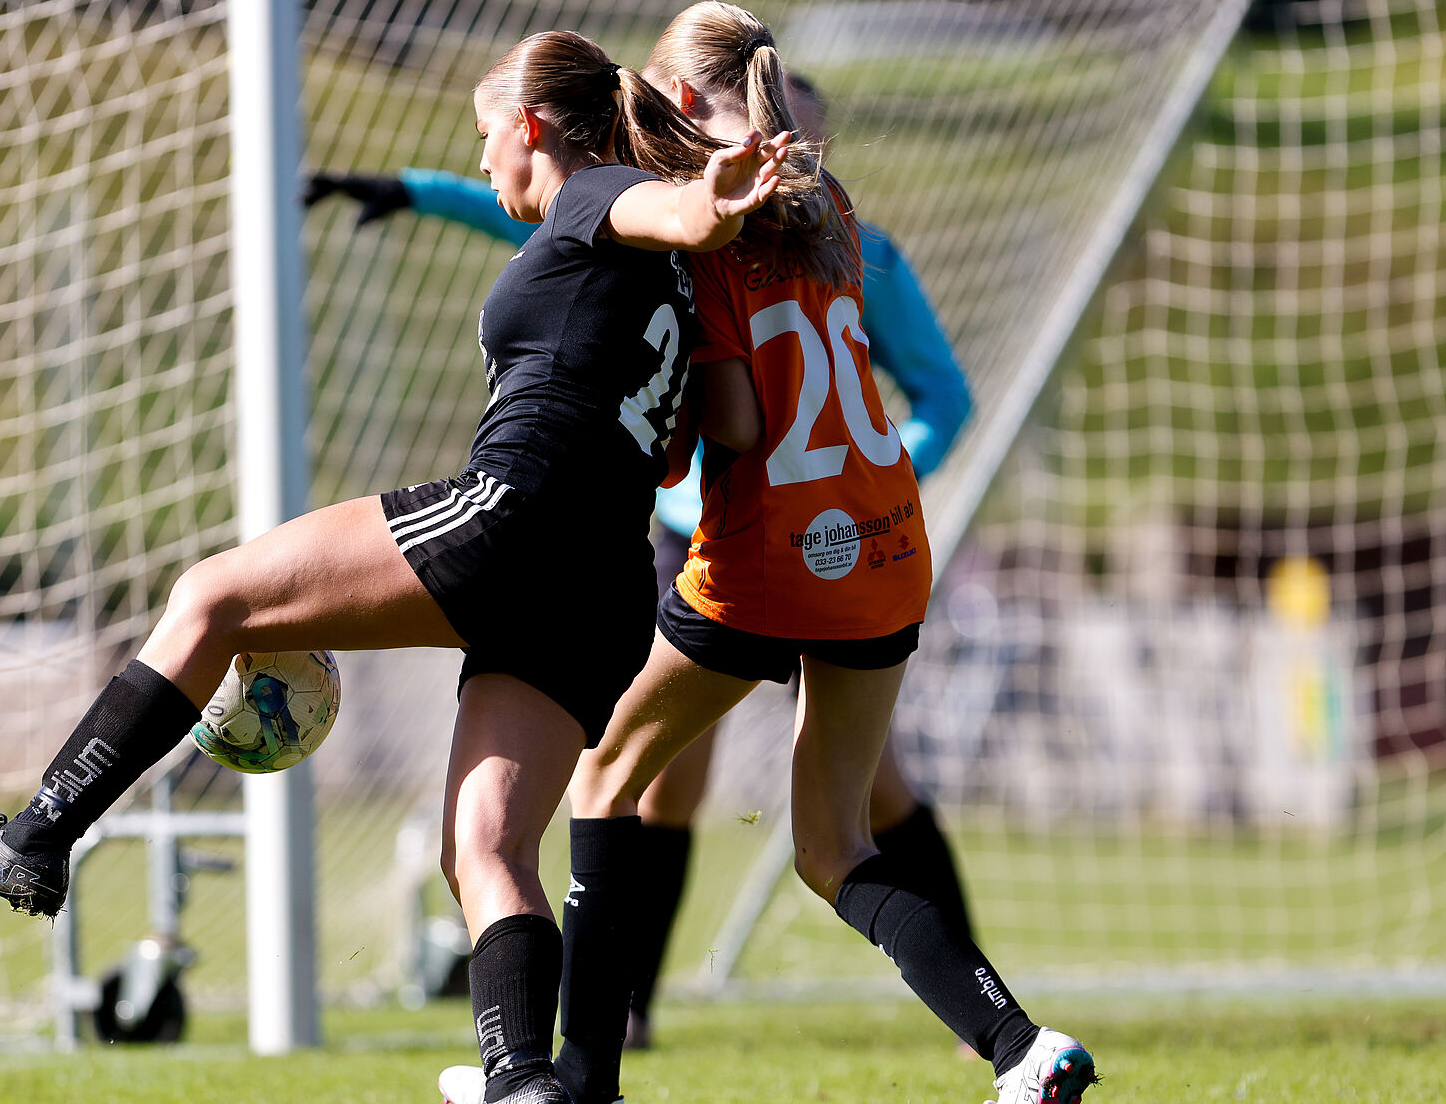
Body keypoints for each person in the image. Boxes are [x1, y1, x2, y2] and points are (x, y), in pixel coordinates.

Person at [0, 28, 790, 1104]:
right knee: (482, 846)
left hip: (514, 520)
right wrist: (706, 230)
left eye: (485, 139)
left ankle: (36, 839)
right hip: (604, 580)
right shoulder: (655, 273)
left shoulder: (598, 198)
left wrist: (706, 207)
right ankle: (523, 1084)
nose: (482, 166)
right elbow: (705, 420)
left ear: (530, 125)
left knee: (209, 595)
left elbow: (657, 214)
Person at [445, 3, 1093, 1104]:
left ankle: (583, 1084)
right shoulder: (828, 208)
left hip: (769, 556)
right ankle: (1021, 1050)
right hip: (886, 545)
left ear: (688, 110)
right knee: (832, 841)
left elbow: (737, 418)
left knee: (608, 770)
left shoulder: (708, 239)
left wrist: (655, 420)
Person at [312, 76, 977, 1054]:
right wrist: (413, 188)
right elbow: (533, 216)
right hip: (691, 531)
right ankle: (626, 1011)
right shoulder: (673, 230)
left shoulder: (861, 255)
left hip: (799, 540)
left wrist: (857, 482)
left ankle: (969, 1013)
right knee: (661, 778)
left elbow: (940, 398)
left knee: (856, 790)